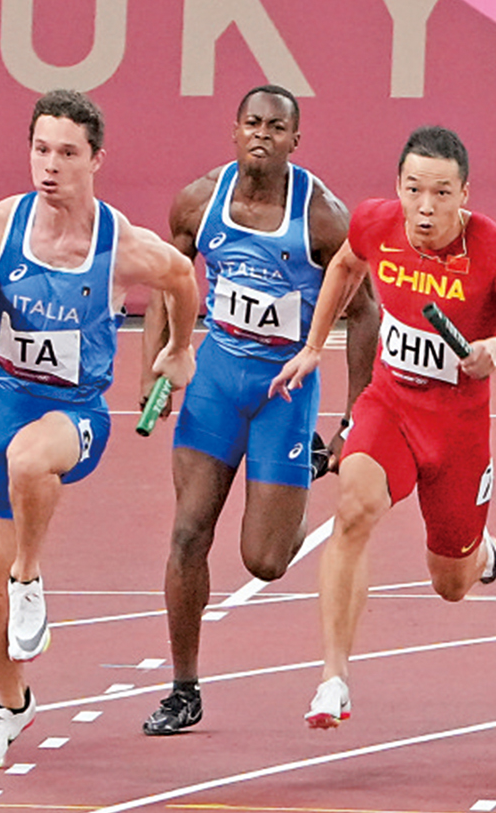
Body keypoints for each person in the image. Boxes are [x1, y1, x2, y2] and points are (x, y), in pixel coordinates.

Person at [0, 90, 199, 769]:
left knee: (31, 461)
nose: (49, 165)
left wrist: (180, 348)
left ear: (95, 160)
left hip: (75, 412)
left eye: (66, 153)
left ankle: (32, 576)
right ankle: (12, 704)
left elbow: (181, 277)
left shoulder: (122, 246)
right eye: (40, 149)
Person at [269, 125, 496, 728]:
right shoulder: (375, 223)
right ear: (398, 186)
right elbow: (346, 265)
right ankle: (333, 678)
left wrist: (495, 351)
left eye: (442, 193)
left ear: (464, 194)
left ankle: (484, 554)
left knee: (450, 583)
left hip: (457, 431)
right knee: (354, 507)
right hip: (390, 405)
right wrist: (313, 347)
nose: (426, 207)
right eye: (414, 189)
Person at [139, 85, 378, 736]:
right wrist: (157, 362)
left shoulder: (324, 217)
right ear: (235, 129)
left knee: (265, 561)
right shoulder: (200, 199)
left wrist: (355, 415)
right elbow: (169, 277)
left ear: (296, 140)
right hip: (216, 380)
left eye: (277, 126)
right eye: (252, 123)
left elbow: (365, 313)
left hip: (285, 393)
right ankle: (183, 687)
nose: (262, 135)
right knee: (188, 532)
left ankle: (298, 488)